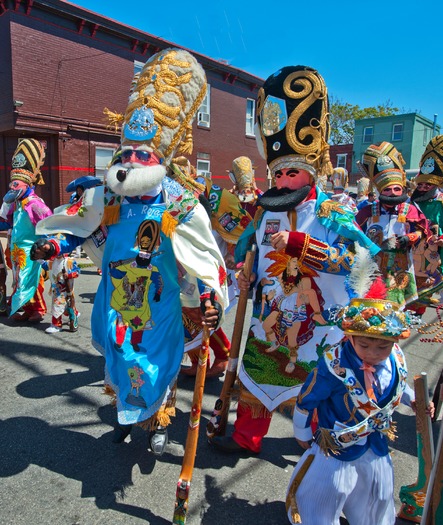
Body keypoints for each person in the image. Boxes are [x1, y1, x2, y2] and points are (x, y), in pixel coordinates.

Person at [31, 48, 228, 455]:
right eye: (125, 154)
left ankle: (159, 420)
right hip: (118, 298)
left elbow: (202, 257)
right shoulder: (107, 193)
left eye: (142, 155)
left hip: (160, 302)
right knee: (121, 359)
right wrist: (53, 244)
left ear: (160, 159)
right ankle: (124, 412)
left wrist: (209, 296)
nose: (130, 162)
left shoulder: (178, 202)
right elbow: (81, 226)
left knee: (158, 362)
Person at [209, 64, 379, 455]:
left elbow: (356, 264)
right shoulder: (264, 210)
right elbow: (249, 248)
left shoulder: (334, 212)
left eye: (291, 173)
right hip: (271, 311)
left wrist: (301, 245)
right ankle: (245, 439)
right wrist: (244, 269)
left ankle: (315, 444)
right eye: (278, 173)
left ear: (311, 173)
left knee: (318, 381)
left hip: (318, 319)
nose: (282, 181)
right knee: (257, 375)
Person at [285, 254, 434, 525]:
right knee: (326, 494)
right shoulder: (333, 364)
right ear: (349, 336)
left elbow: (397, 387)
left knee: (377, 496)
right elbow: (306, 400)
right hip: (337, 448)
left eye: (382, 347)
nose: (374, 354)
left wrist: (414, 400)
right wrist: (302, 433)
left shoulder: (396, 358)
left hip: (376, 445)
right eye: (364, 345)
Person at [356, 141, 430, 309]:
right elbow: (354, 233)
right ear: (379, 191)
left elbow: (421, 232)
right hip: (373, 266)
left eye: (397, 189)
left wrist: (408, 238)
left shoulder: (409, 210)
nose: (392, 193)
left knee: (396, 307)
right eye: (387, 190)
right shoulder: (367, 211)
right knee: (372, 306)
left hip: (400, 266)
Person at [0, 139, 52, 323]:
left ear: (27, 184)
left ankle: (38, 309)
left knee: (32, 278)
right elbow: (8, 223)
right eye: (12, 183)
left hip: (32, 249)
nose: (12, 187)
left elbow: (48, 223)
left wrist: (47, 247)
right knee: (20, 280)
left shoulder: (34, 203)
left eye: (16, 184)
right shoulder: (16, 204)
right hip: (17, 250)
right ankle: (27, 309)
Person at [410, 135, 443, 307]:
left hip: (435, 247)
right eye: (420, 186)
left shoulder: (441, 203)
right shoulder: (411, 203)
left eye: (427, 186)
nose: (422, 189)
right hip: (416, 244)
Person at [44, 249, 80, 333]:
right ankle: (72, 315)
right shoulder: (52, 262)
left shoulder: (69, 261)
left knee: (63, 305)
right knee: (61, 306)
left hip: (67, 289)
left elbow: (77, 271)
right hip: (56, 289)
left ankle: (57, 325)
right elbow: (45, 266)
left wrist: (69, 275)